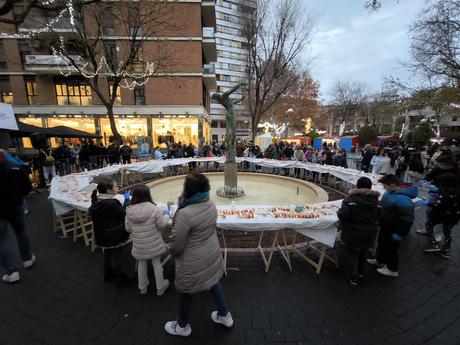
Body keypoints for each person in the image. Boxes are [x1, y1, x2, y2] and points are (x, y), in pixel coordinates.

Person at [165, 173, 233, 337]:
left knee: (187, 291)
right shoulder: (210, 204)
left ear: (188, 189)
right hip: (211, 252)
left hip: (192, 259)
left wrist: (170, 249)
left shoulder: (185, 213)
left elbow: (177, 245)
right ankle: (225, 315)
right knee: (213, 281)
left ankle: (182, 326)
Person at [367, 174, 417, 277]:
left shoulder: (403, 199)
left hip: (394, 229)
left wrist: (400, 233)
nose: (384, 188)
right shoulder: (390, 192)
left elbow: (407, 219)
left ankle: (392, 269)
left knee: (391, 249)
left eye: (385, 186)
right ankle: (380, 260)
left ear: (393, 185)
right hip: (385, 225)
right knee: (382, 243)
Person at [125, 185, 170, 295]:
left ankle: (143, 287)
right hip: (154, 243)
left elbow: (128, 229)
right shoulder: (156, 209)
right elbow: (162, 226)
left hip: (139, 245)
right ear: (148, 195)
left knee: (142, 263)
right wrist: (167, 215)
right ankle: (160, 287)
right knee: (157, 263)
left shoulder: (129, 211)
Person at [0, 149, 35, 283]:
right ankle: (27, 260)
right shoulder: (15, 168)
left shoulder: (14, 167)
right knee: (21, 233)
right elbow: (27, 186)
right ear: (4, 156)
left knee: (2, 240)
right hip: (16, 206)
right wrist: (19, 197)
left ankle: (12, 271)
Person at [338, 177, 380, 285]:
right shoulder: (377, 202)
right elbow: (379, 217)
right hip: (370, 233)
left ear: (357, 186)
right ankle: (361, 272)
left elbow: (344, 215)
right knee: (364, 252)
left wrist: (340, 215)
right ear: (370, 187)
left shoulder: (350, 200)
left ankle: (353, 276)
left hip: (353, 232)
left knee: (352, 254)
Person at [89, 179, 130, 284]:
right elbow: (124, 213)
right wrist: (127, 201)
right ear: (108, 190)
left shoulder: (97, 201)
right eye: (115, 187)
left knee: (107, 252)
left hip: (102, 235)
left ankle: (108, 273)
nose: (118, 188)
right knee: (117, 254)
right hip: (113, 234)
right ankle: (120, 276)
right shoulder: (111, 203)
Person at [422, 173, 460, 259]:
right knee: (447, 233)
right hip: (452, 217)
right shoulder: (455, 191)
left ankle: (438, 246)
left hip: (444, 216)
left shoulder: (446, 194)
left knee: (432, 226)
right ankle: (444, 249)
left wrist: (428, 203)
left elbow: (440, 205)